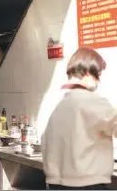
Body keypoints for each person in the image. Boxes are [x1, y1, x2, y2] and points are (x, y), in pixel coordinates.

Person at [41, 48, 117, 190]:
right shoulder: (91, 101)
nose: (99, 81)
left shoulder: (61, 106)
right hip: (87, 184)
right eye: (98, 75)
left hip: (57, 184)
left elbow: (45, 141)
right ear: (88, 73)